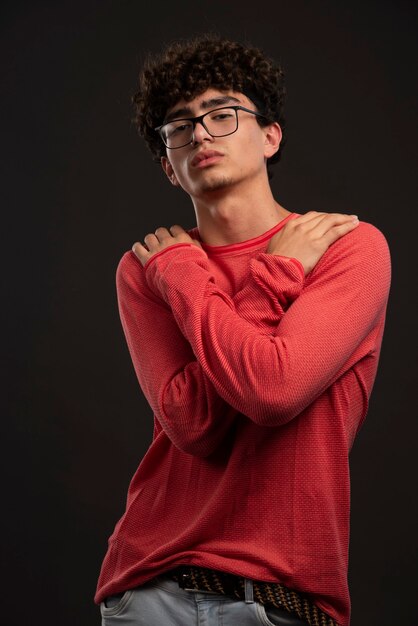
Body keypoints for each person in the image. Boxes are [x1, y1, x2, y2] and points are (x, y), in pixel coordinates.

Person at [95, 35, 391, 626]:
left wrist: (256, 274)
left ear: (270, 135)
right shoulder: (151, 269)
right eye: (179, 126)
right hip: (151, 587)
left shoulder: (348, 247)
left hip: (284, 598)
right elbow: (193, 425)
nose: (201, 133)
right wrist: (208, 273)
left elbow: (272, 390)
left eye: (222, 114)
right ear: (168, 166)